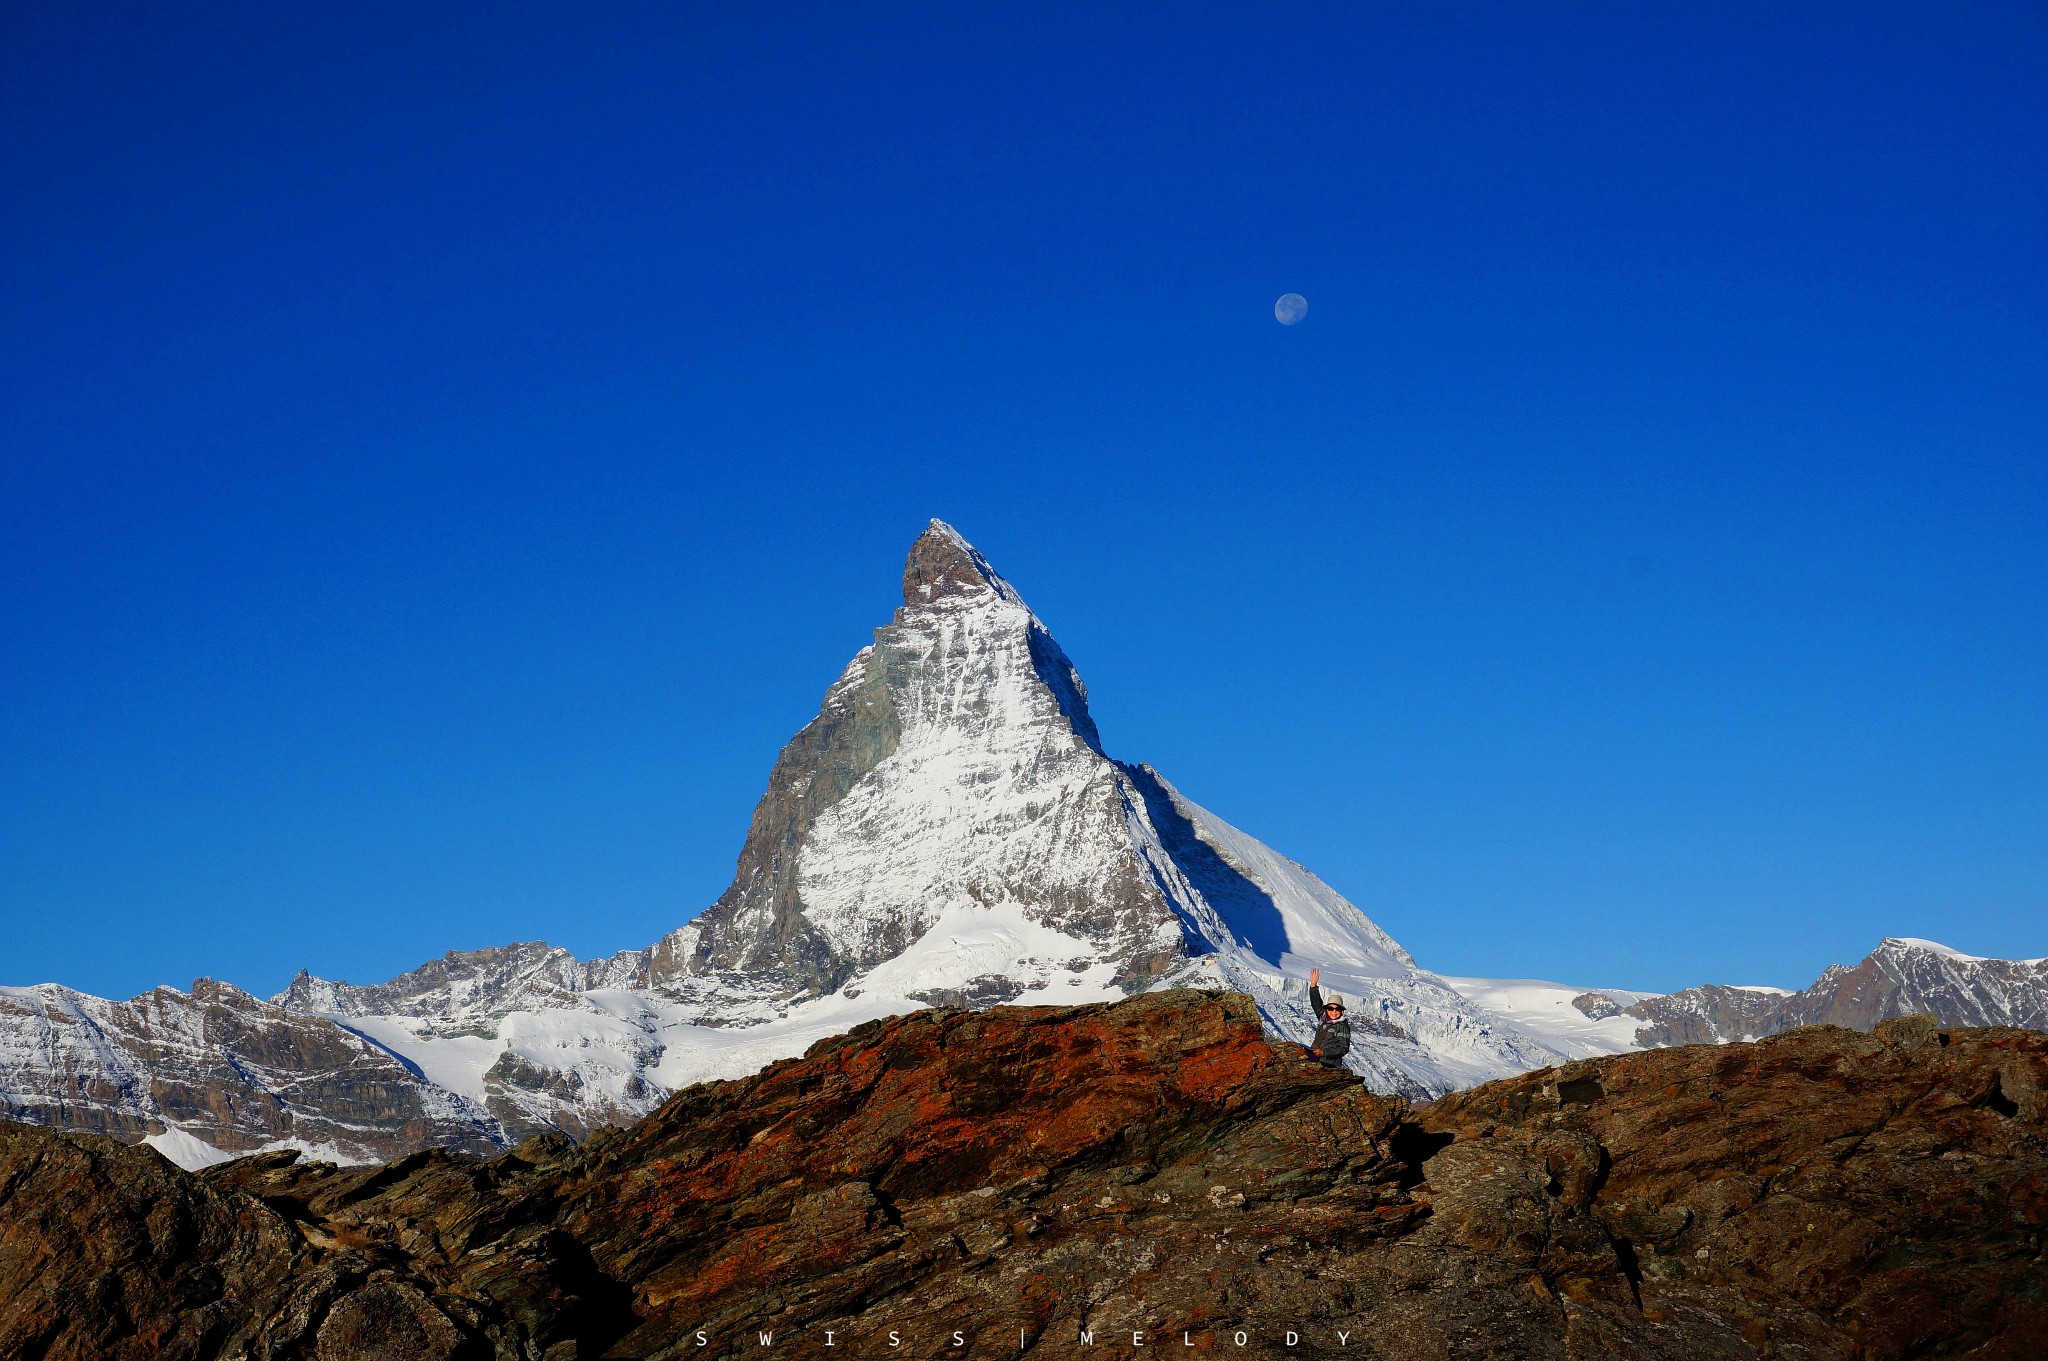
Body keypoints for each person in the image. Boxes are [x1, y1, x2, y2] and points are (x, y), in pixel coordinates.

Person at [1303, 966, 1351, 1068]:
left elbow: (1343, 1048)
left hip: (1330, 1064)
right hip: (1317, 1060)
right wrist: (1313, 986)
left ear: (1341, 1011)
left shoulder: (1342, 1026)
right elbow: (1316, 1003)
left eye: (1337, 1009)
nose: (1334, 1011)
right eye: (1330, 1008)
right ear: (1326, 1009)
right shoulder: (1323, 1018)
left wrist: (1324, 1052)